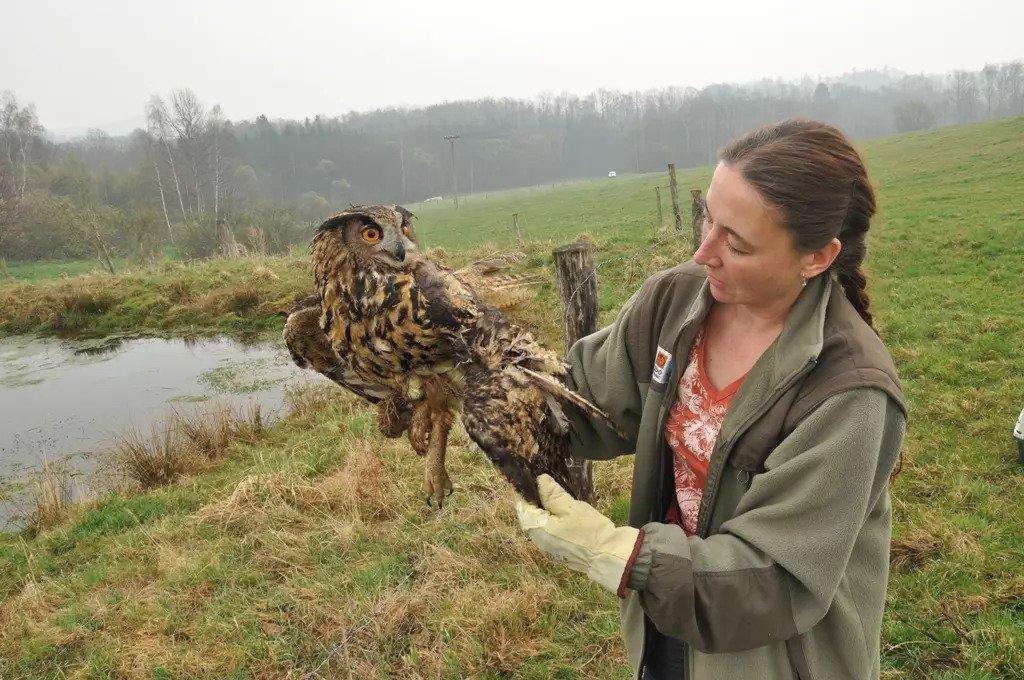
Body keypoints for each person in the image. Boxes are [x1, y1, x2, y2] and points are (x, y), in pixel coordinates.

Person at [516, 118, 908, 680]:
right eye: (708, 218)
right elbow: (583, 402)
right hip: (667, 624)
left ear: (817, 257)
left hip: (773, 656)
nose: (703, 253)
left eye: (738, 243)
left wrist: (621, 555)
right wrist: (477, 375)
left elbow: (775, 579)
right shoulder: (676, 302)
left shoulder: (850, 393)